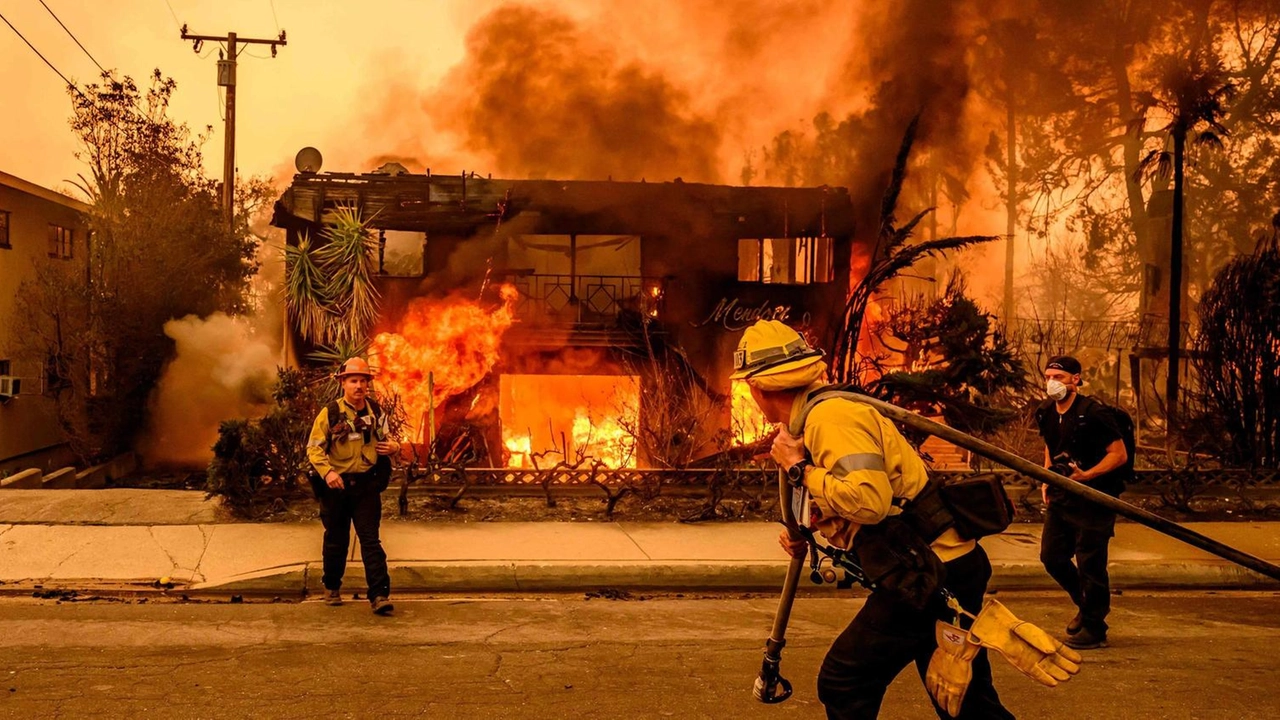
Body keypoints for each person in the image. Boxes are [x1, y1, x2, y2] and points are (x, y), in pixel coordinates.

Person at [734, 320, 1014, 720]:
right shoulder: (807, 420)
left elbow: (869, 501)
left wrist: (798, 468)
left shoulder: (831, 420)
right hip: (936, 566)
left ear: (756, 387)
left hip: (930, 573)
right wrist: (804, 532)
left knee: (845, 680)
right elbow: (840, 493)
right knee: (962, 695)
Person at [1035, 355, 1128, 650]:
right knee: (1052, 557)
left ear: (1076, 379)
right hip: (1062, 495)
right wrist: (1046, 478)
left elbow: (1118, 454)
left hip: (1095, 496)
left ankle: (1095, 627)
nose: (1052, 383)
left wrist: (1086, 475)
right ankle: (1087, 607)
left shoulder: (1095, 413)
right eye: (1048, 376)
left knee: (1091, 562)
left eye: (1059, 377)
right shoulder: (1046, 411)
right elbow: (1051, 447)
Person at [306, 357, 401, 616]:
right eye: (354, 380)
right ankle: (332, 586)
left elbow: (388, 438)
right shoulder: (330, 413)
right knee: (336, 539)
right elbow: (314, 449)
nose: (359, 386)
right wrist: (327, 473)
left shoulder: (376, 412)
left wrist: (394, 447)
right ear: (343, 383)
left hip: (366, 487)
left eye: (363, 381)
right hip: (336, 488)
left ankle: (379, 595)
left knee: (370, 540)